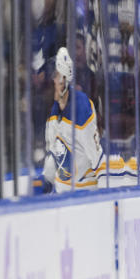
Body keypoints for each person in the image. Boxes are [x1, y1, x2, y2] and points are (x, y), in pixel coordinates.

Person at [35, 47, 104, 193]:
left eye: (54, 76)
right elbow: (54, 153)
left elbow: (97, 158)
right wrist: (46, 182)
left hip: (86, 191)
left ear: (63, 79)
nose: (51, 81)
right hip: (64, 191)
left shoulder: (81, 108)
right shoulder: (54, 112)